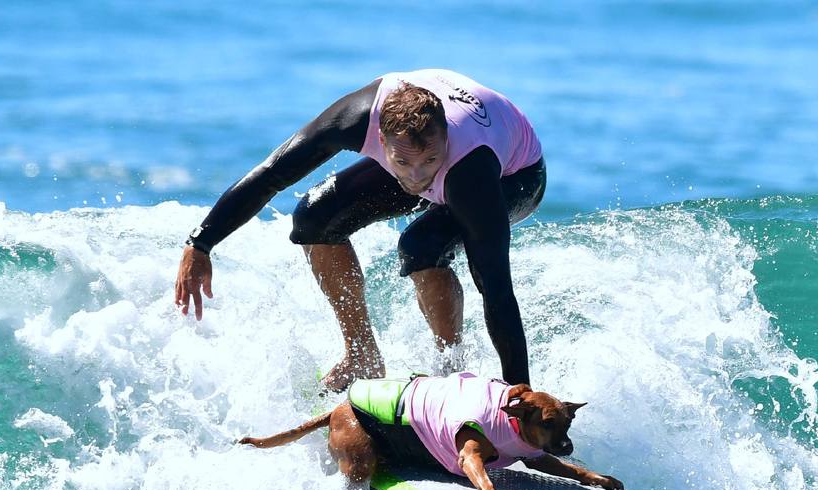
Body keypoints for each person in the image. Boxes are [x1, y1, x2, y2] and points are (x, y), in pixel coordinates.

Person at [173, 69, 545, 391]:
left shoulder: (469, 169)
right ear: (380, 142)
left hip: (517, 177)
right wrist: (201, 243)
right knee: (314, 217)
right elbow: (272, 174)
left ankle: (450, 376)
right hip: (431, 148)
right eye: (403, 162)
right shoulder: (353, 119)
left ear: (446, 136)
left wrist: (521, 400)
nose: (418, 177)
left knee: (421, 244)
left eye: (431, 160)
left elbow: (496, 289)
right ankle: (361, 357)